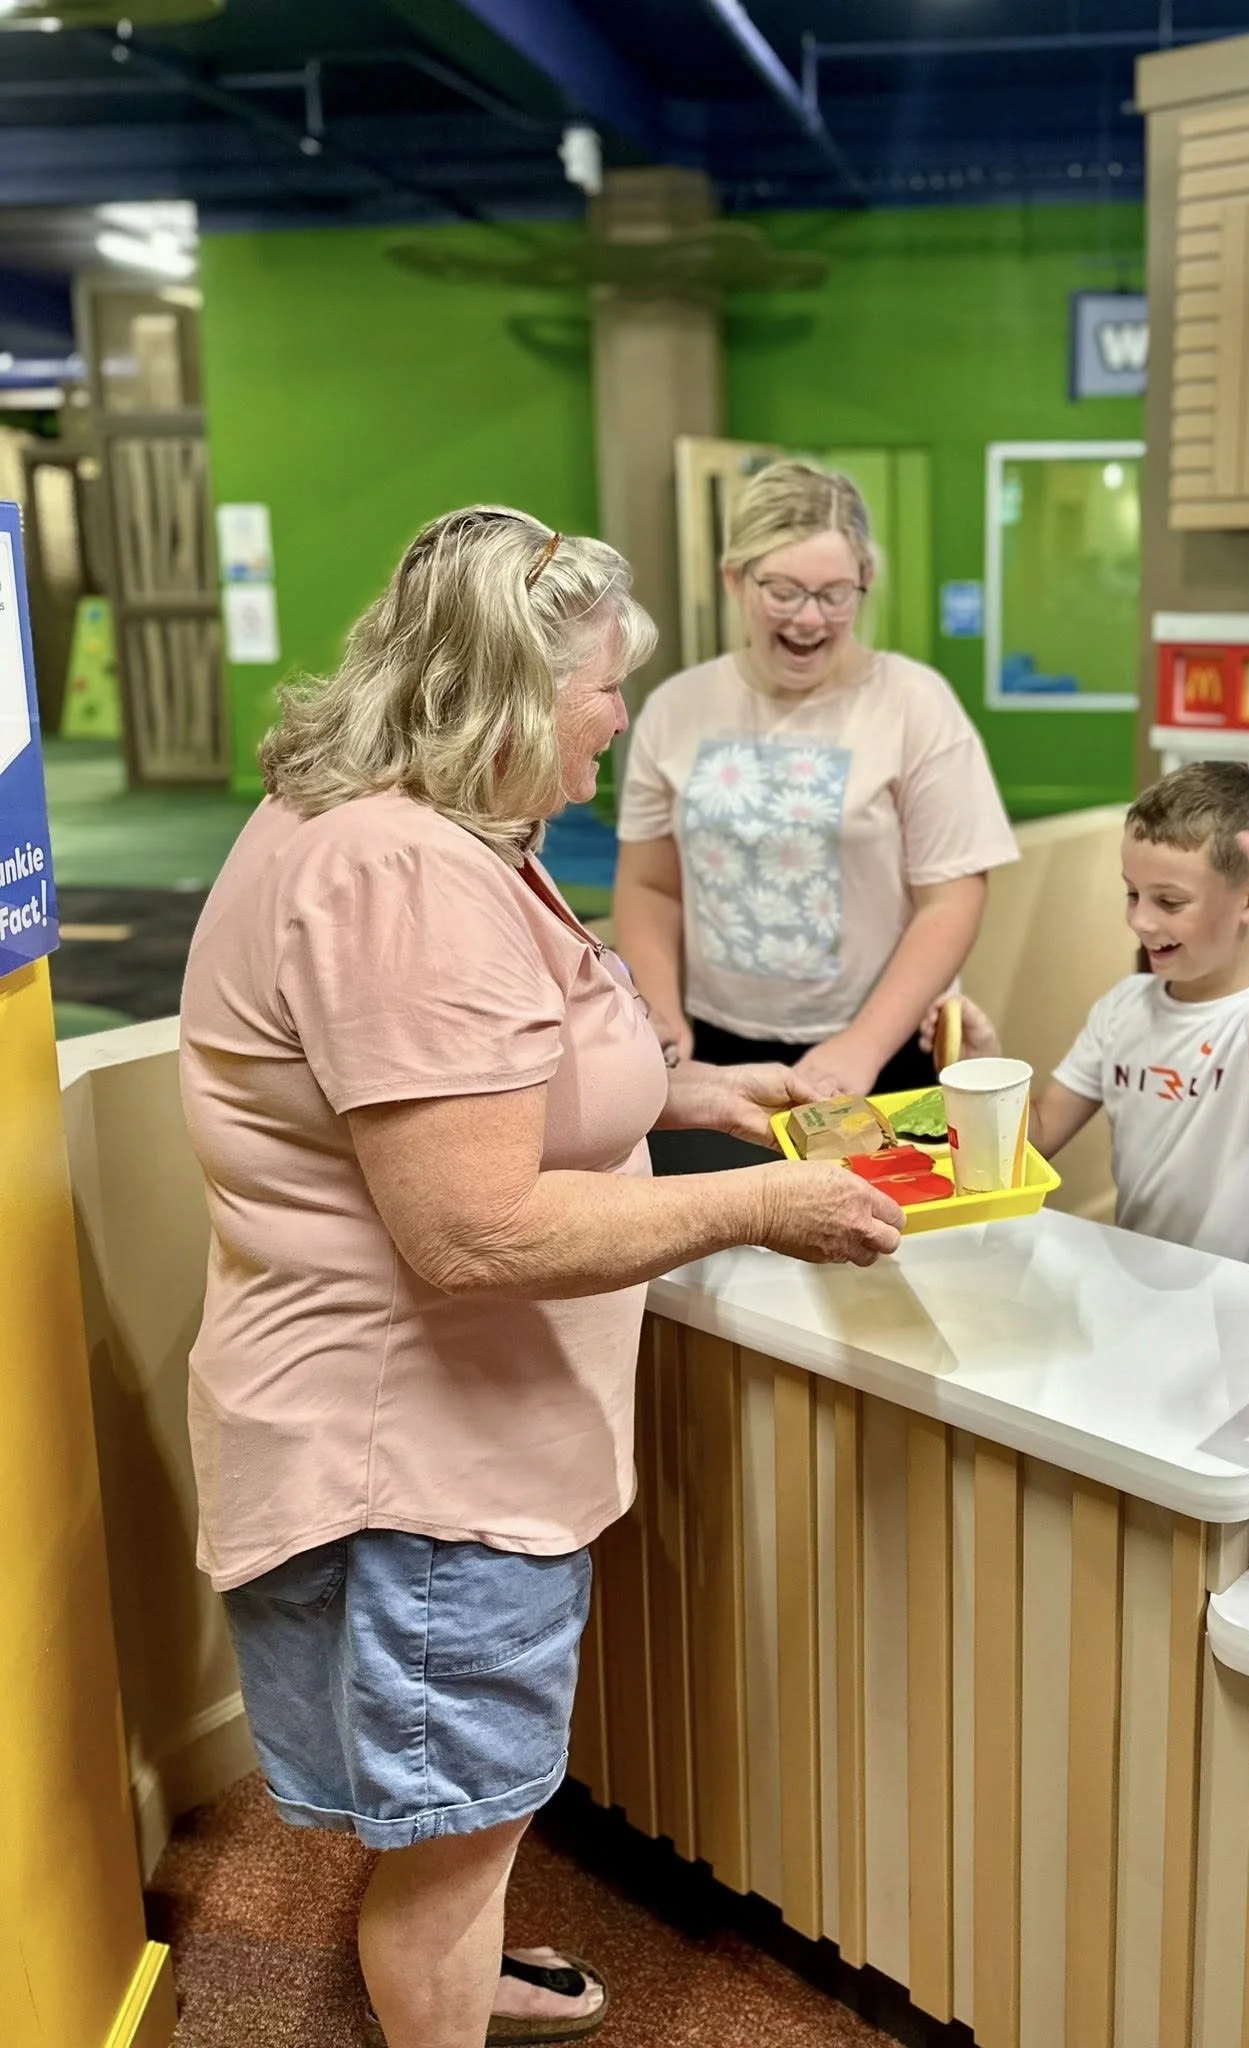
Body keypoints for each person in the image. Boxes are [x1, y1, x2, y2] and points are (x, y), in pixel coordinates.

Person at [178, 507, 904, 2048]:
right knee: (453, 1835)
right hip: (416, 1460)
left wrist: (694, 1094)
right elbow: (472, 1231)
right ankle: (442, 1974)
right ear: (504, 700)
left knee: (462, 1808)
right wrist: (762, 1206)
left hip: (442, 1432)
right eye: (596, 689)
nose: (617, 718)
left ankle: (459, 1952)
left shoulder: (402, 822)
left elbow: (507, 1069)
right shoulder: (399, 876)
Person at [614, 460, 1016, 1167]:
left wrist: (861, 1047)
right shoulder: (677, 709)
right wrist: (662, 1016)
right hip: (714, 1053)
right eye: (785, 591)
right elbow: (650, 885)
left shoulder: (914, 705)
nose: (809, 618)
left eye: (835, 594)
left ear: (865, 581)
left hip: (879, 1052)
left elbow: (951, 899)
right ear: (735, 578)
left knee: (869, 1265)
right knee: (719, 1264)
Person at [927, 761, 1249, 1271]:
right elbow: (1038, 1139)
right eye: (1132, 893)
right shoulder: (1124, 1006)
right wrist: (986, 1071)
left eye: (1169, 901)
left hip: (1239, 1300)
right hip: (1132, 1280)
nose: (1141, 920)